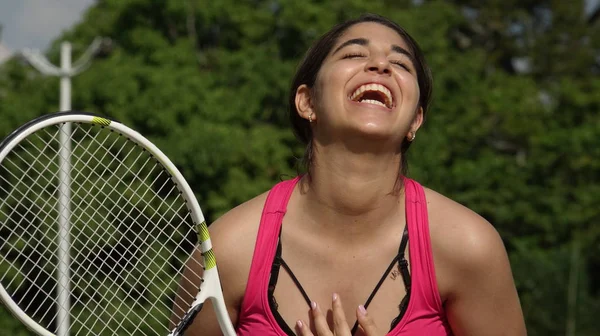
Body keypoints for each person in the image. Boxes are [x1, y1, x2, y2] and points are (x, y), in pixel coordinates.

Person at [173, 13, 527, 336]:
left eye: (400, 63)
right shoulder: (230, 251)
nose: (380, 65)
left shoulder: (469, 247)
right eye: (354, 55)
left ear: (415, 121)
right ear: (307, 102)